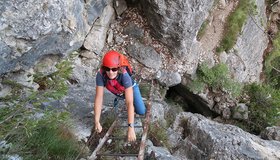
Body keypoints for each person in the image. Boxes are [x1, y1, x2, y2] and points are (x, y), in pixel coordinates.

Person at [93, 50, 146, 142]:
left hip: (131, 89)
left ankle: (137, 100)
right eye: (107, 69)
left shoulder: (125, 76)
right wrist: (97, 121)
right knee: (127, 100)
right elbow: (99, 98)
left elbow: (129, 103)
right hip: (119, 91)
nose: (110, 72)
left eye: (114, 69)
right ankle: (123, 98)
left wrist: (131, 127)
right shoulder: (100, 75)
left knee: (141, 111)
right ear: (103, 67)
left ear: (118, 68)